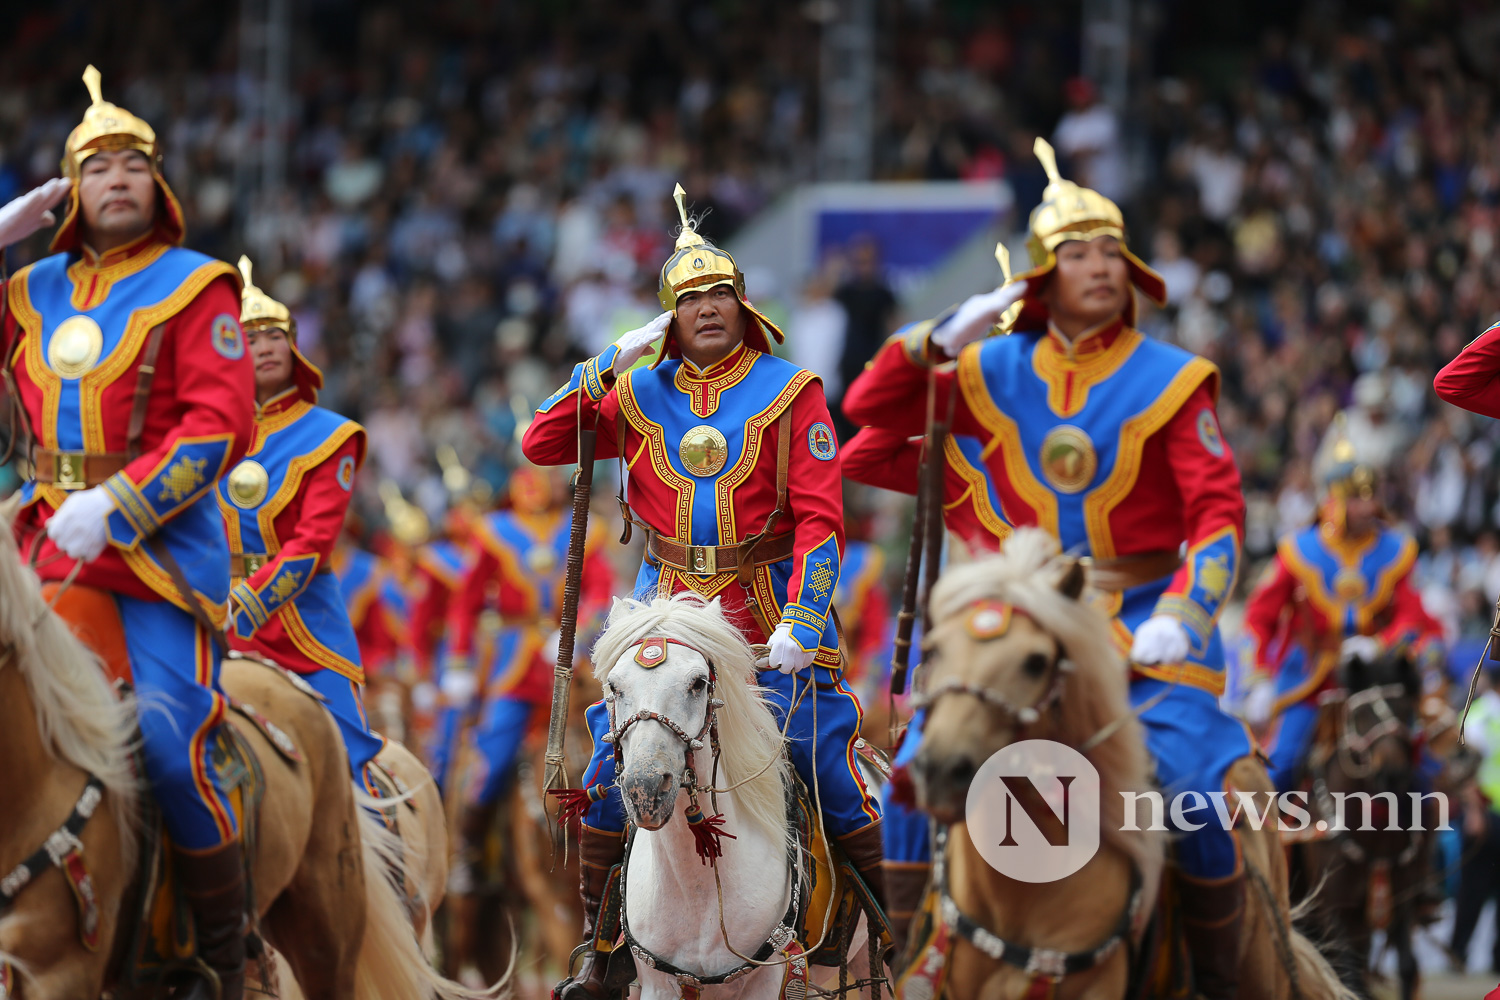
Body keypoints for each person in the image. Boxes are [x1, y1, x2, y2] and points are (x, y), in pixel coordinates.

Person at [842, 139, 1252, 998]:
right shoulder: (988, 369)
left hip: (1142, 622)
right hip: (1017, 630)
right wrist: (933, 340)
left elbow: (1217, 520)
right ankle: (912, 958)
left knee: (1194, 799)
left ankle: (1231, 977)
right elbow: (866, 417)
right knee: (920, 767)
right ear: (1039, 278)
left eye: (1112, 251)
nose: (1100, 267)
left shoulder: (1176, 380)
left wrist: (1189, 608)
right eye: (1076, 254)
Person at [523, 185, 885, 1000]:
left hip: (767, 615)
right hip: (666, 613)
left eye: (719, 292)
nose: (707, 308)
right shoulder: (637, 391)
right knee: (619, 767)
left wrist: (804, 613)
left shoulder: (795, 391)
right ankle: (602, 945)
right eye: (688, 299)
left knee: (824, 761)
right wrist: (607, 361)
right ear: (668, 317)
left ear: (743, 303)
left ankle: (888, 929)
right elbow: (542, 440)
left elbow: (824, 522)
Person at [3, 67, 253, 1000]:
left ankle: (221, 961)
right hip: (34, 554)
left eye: (132, 164)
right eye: (95, 165)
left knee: (168, 743)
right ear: (68, 190)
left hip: (154, 562)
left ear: (159, 185)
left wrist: (116, 505)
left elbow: (221, 425)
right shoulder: (27, 290)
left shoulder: (196, 288)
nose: (115, 178)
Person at [217, 256, 384, 795]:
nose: (264, 346)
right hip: (211, 618)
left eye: (274, 336)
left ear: (293, 348)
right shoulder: (205, 438)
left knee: (349, 764)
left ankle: (377, 866)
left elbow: (312, 545)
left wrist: (243, 604)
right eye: (249, 338)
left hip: (302, 623)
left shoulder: (330, 436)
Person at [439, 463, 613, 978]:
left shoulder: (584, 527)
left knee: (619, 742)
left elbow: (601, 593)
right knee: (491, 756)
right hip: (516, 664)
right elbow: (466, 604)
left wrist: (577, 637)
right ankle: (470, 855)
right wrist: (458, 661)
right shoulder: (494, 533)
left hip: (573, 663)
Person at [1242, 431, 1442, 792]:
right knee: (1283, 764)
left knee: (1425, 768)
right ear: (1335, 500)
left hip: (1374, 678)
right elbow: (1259, 618)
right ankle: (1263, 845)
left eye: (1371, 497)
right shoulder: (1297, 550)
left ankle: (1434, 843)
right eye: (1356, 499)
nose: (1367, 508)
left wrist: (1381, 645)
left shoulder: (1397, 548)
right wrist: (1258, 678)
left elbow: (1412, 617)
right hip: (1311, 680)